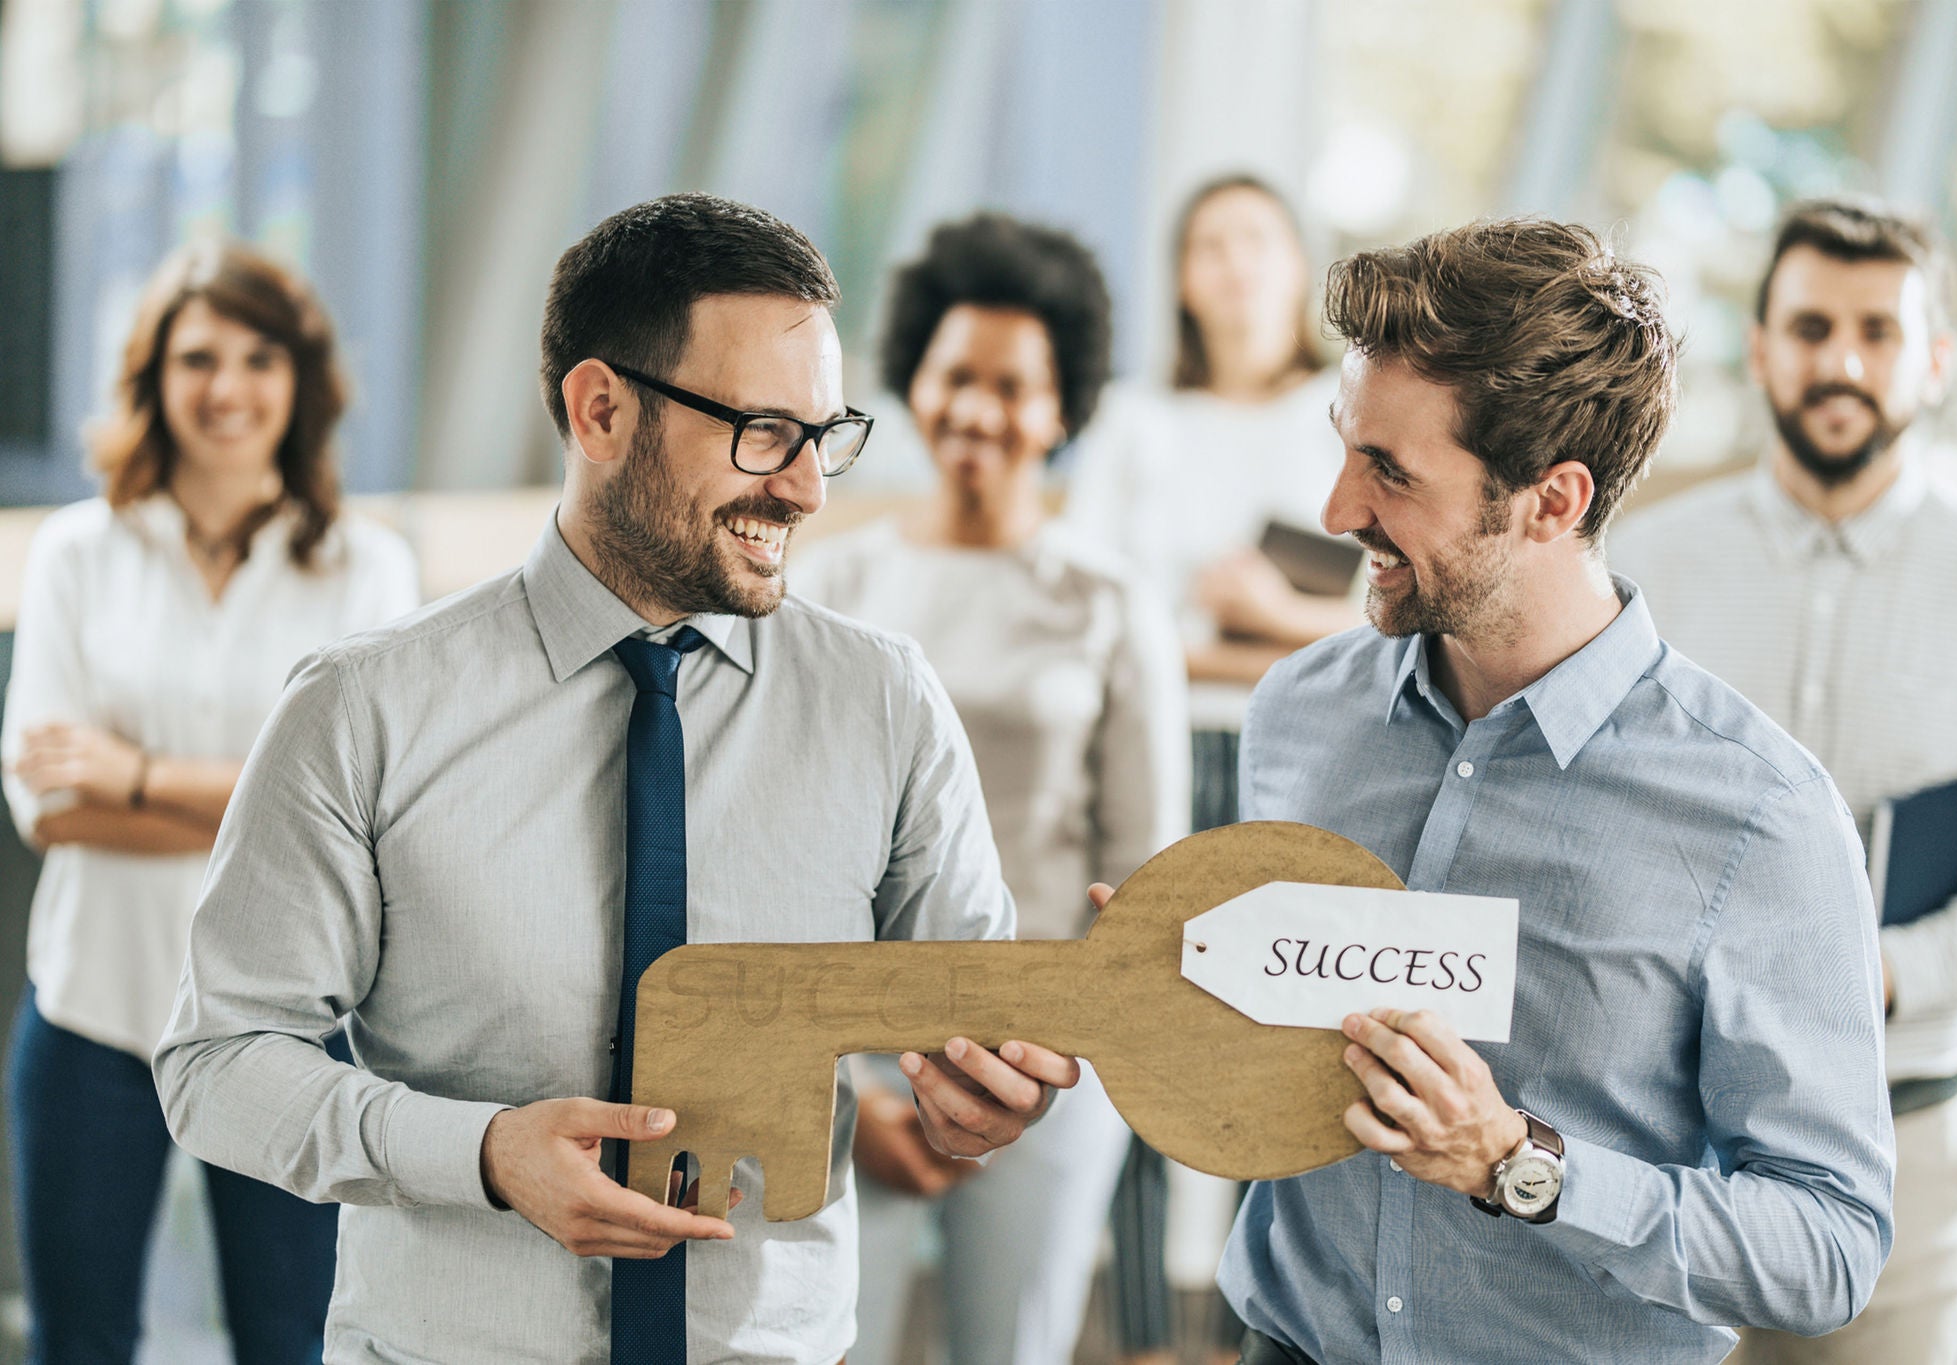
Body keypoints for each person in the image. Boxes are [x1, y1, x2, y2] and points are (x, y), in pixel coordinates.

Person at [151, 194, 1079, 1364]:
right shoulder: (363, 708)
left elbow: (962, 1022)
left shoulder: (884, 702)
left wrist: (988, 1092)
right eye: (759, 433)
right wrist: (481, 1156)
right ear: (599, 409)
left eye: (824, 435)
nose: (803, 490)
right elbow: (219, 1065)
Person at [1201, 217, 1894, 1364]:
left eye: (1388, 471)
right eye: (1343, 444)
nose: (1334, 511)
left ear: (1552, 500)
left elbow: (1827, 1245)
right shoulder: (1297, 713)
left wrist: (1515, 1164)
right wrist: (1165, 979)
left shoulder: (1759, 818)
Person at [1609, 198, 1957, 1365]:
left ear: (1936, 360)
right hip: (1645, 1136)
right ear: (1758, 351)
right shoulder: (1640, 565)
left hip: (1900, 1140)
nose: (1840, 362)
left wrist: (1886, 973)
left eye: (1878, 332)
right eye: (1809, 328)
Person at [1, 240, 419, 1363]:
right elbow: (48, 809)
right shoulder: (77, 555)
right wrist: (273, 804)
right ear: (152, 379)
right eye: (197, 359)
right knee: (74, 1342)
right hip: (94, 1013)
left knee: (291, 1341)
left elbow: (369, 816)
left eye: (257, 358)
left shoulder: (368, 571)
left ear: (301, 381)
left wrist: (134, 778)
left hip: (290, 1026)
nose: (226, 389)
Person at [798, 214, 1189, 1365]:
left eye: (1012, 387)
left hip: (1049, 1062)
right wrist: (852, 1083)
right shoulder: (831, 586)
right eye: (953, 376)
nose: (977, 410)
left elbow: (1142, 878)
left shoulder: (1112, 606)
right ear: (912, 382)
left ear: (1062, 410)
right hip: (850, 1060)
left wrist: (1027, 1071)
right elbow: (786, 854)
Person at [1063, 172, 1349, 1364]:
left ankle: (1248, 1336)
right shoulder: (1139, 423)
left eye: (1256, 241)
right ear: (1180, 276)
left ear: (1297, 268)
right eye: (1208, 245)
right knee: (1138, 1037)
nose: (1232, 265)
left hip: (1301, 754)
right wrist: (1258, 630)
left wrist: (1269, 612)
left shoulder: (1345, 408)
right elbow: (1086, 603)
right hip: (1160, 754)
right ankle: (1135, 1338)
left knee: (1273, 1050)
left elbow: (1393, 616)